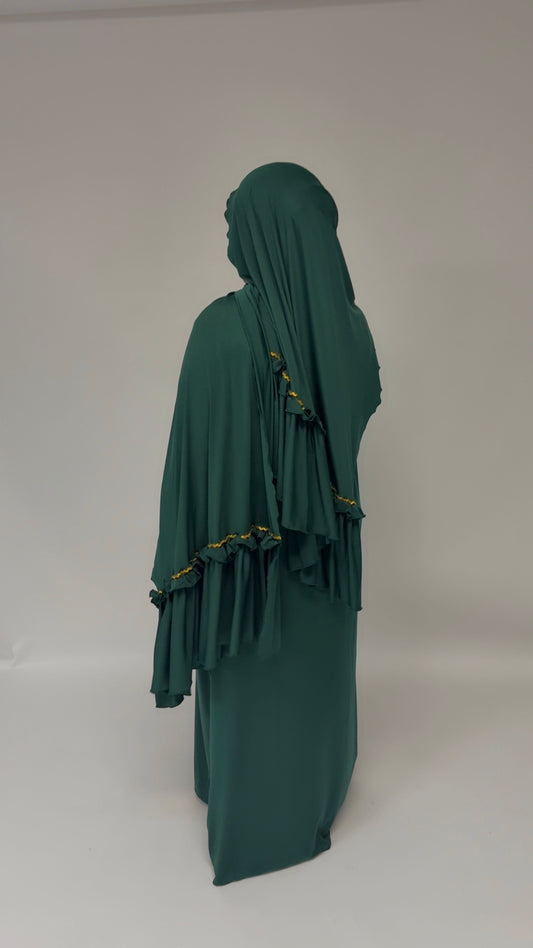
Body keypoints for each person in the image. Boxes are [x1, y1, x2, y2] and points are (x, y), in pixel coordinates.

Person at [148, 161, 382, 885]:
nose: (229, 239)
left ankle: (250, 817)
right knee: (315, 683)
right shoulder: (349, 328)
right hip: (322, 564)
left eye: (236, 224)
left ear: (265, 233)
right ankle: (314, 794)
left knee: (256, 681)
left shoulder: (222, 329)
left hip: (250, 583)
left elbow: (196, 467)